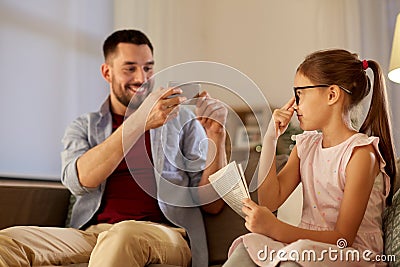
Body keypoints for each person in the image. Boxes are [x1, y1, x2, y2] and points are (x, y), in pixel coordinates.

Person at [0, 29, 227, 267]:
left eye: (148, 68)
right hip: (93, 234)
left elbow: (211, 205)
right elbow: (79, 181)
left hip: (164, 234)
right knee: (8, 242)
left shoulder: (182, 123)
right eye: (130, 68)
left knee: (123, 235)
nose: (142, 78)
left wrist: (216, 136)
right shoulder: (84, 126)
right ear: (107, 72)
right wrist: (138, 123)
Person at [223, 49, 397, 267]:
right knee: (250, 244)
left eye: (300, 94)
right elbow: (269, 201)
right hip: (307, 249)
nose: (295, 105)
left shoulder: (361, 154)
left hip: (352, 255)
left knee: (297, 253)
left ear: (332, 95)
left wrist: (274, 228)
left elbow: (343, 239)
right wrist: (270, 139)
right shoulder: (307, 146)